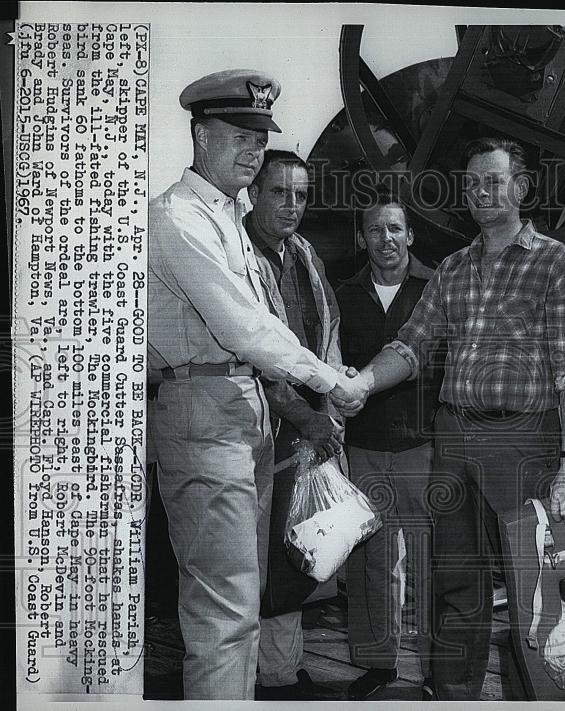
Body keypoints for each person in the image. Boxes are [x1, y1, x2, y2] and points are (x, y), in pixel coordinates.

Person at [334, 137, 565, 700]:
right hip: (453, 438)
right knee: (455, 583)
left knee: (538, 580)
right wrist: (360, 383)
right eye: (472, 183)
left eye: (493, 181)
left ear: (521, 188)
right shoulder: (452, 268)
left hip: (528, 439)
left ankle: (546, 696)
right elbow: (410, 346)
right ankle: (453, 696)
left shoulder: (557, 263)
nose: (480, 192)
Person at [148, 70, 362, 700]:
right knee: (223, 617)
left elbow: (263, 318)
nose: (252, 149)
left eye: (260, 138)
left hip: (242, 413)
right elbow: (243, 325)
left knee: (241, 611)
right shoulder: (177, 218)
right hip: (204, 409)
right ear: (198, 133)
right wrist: (329, 378)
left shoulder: (226, 215)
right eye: (238, 134)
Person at [243, 149, 344, 700]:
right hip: (262, 422)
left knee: (293, 549)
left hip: (306, 427)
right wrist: (310, 418)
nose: (292, 205)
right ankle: (256, 678)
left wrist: (324, 415)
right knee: (252, 557)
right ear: (253, 193)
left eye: (301, 194)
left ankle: (282, 673)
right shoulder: (238, 253)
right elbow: (258, 354)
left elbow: (326, 337)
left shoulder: (304, 254)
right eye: (280, 192)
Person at [337, 189, 441, 700]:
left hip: (423, 444)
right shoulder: (343, 293)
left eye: (395, 228)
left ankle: (431, 665)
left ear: (411, 235)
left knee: (427, 557)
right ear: (362, 238)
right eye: (375, 230)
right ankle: (377, 663)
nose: (386, 239)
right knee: (372, 557)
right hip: (364, 445)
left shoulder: (434, 289)